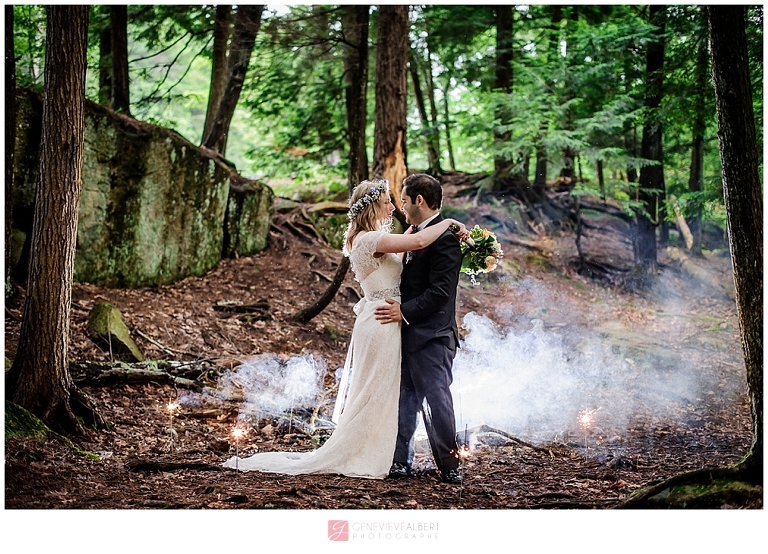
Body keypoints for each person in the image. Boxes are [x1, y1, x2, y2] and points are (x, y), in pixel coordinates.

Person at [222, 179, 468, 479]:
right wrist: (450, 222)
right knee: (379, 391)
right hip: (383, 321)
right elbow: (416, 243)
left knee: (391, 393)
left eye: (399, 201)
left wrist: (441, 228)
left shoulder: (382, 237)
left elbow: (416, 250)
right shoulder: (371, 239)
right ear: (374, 206)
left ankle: (411, 459)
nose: (395, 207)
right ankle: (382, 455)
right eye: (388, 202)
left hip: (400, 323)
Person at [373, 173, 465, 485]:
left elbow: (441, 293)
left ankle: (450, 465)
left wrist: (403, 311)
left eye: (404, 200)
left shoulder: (446, 240)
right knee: (405, 399)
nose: (401, 206)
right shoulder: (414, 233)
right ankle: (400, 460)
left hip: (433, 336)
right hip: (404, 334)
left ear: (419, 201)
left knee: (437, 399)